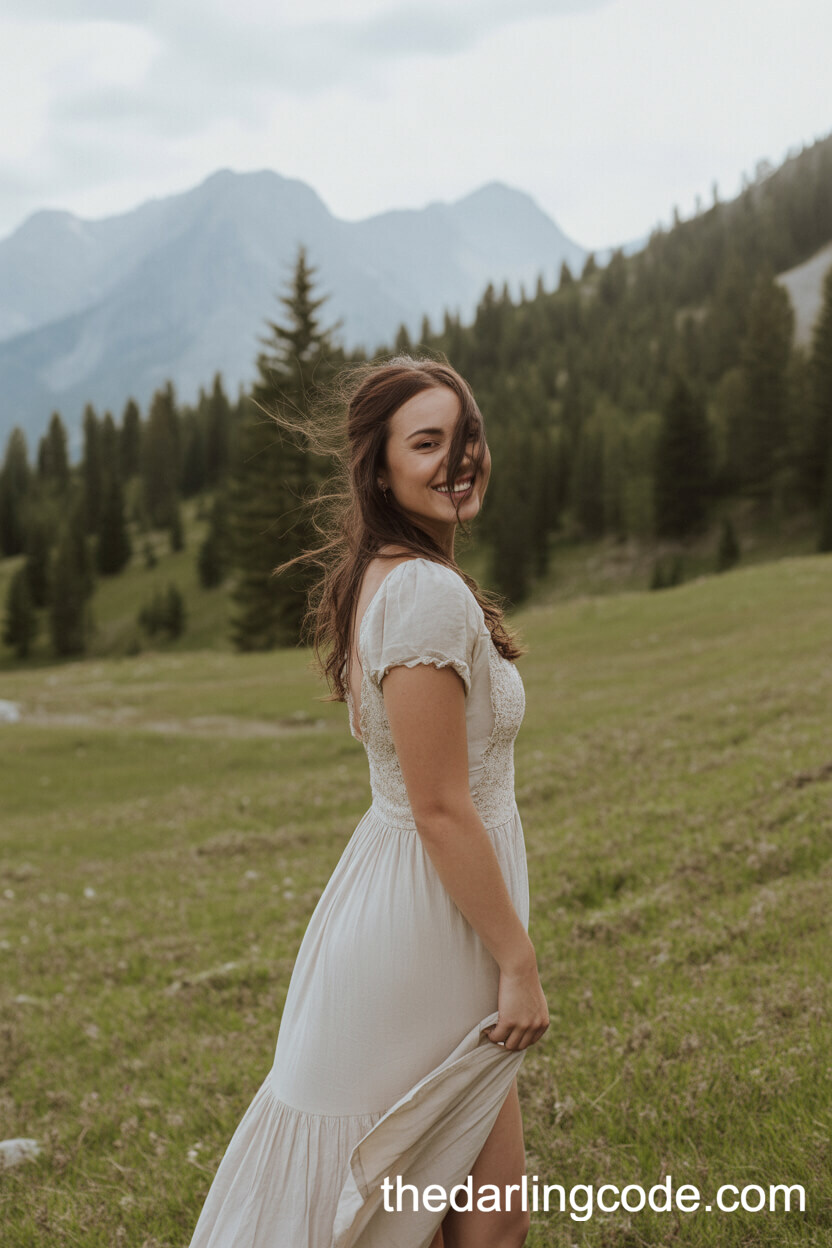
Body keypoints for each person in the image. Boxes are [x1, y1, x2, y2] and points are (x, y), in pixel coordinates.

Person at [188, 356, 549, 1248]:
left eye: (467, 437)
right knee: (419, 1216)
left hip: (430, 907)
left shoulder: (393, 571)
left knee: (490, 1215)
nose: (457, 459)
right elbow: (438, 807)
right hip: (426, 929)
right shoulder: (421, 590)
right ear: (378, 467)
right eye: (426, 442)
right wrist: (518, 962)